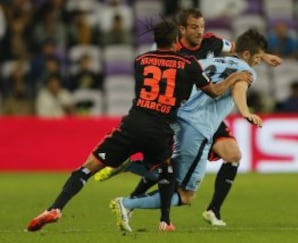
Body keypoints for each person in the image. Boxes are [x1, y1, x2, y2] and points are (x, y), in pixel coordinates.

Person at [26, 20, 251, 232]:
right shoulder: (188, 64)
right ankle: (165, 221)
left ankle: (55, 208)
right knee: (167, 173)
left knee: (86, 169)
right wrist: (235, 77)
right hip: (162, 129)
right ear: (176, 41)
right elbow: (213, 91)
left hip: (133, 124)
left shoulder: (140, 60)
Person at [94, 8, 281, 226]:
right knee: (185, 193)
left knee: (228, 155)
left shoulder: (207, 57)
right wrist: (246, 111)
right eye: (194, 27)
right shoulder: (171, 53)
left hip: (183, 114)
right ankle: (129, 197)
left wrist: (262, 55)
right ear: (181, 30)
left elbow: (240, 49)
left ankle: (212, 209)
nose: (200, 31)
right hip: (197, 123)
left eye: (202, 27)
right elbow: (240, 86)